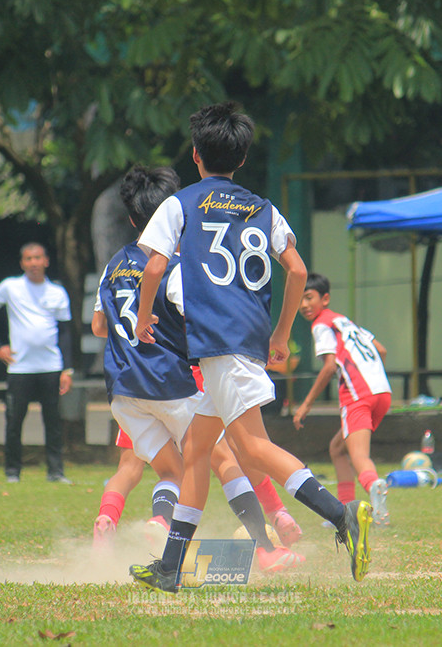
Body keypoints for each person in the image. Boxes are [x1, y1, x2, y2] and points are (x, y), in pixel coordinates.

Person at [129, 102, 372, 594]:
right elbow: (298, 271)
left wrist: (142, 315)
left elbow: (153, 268)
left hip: (220, 345)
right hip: (243, 342)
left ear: (195, 156)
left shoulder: (181, 204)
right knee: (198, 450)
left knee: (253, 448)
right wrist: (281, 334)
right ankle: (171, 566)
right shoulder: (263, 207)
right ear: (240, 160)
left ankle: (341, 514)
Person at [92, 165, 301, 572]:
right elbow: (195, 318)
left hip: (123, 389)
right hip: (171, 382)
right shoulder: (174, 266)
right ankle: (266, 549)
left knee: (164, 469)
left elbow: (100, 326)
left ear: (133, 218)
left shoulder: (114, 264)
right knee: (226, 461)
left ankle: (155, 521)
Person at [291, 272, 391, 525]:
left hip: (357, 394)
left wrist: (306, 405)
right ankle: (345, 509)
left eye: (309, 298)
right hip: (382, 391)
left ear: (325, 299)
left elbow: (328, 367)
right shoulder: (343, 321)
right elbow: (381, 349)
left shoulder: (321, 324)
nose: (304, 305)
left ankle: (374, 488)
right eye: (300, 299)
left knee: (359, 456)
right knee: (338, 448)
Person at [0, 243, 73, 483]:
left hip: (50, 366)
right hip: (20, 367)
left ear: (46, 261)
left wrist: (67, 369)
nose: (33, 263)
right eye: (29, 259)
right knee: (14, 422)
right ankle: (12, 472)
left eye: (38, 258)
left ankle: (55, 472)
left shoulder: (57, 292)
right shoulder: (11, 287)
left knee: (52, 423)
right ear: (22, 263)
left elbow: (65, 332)